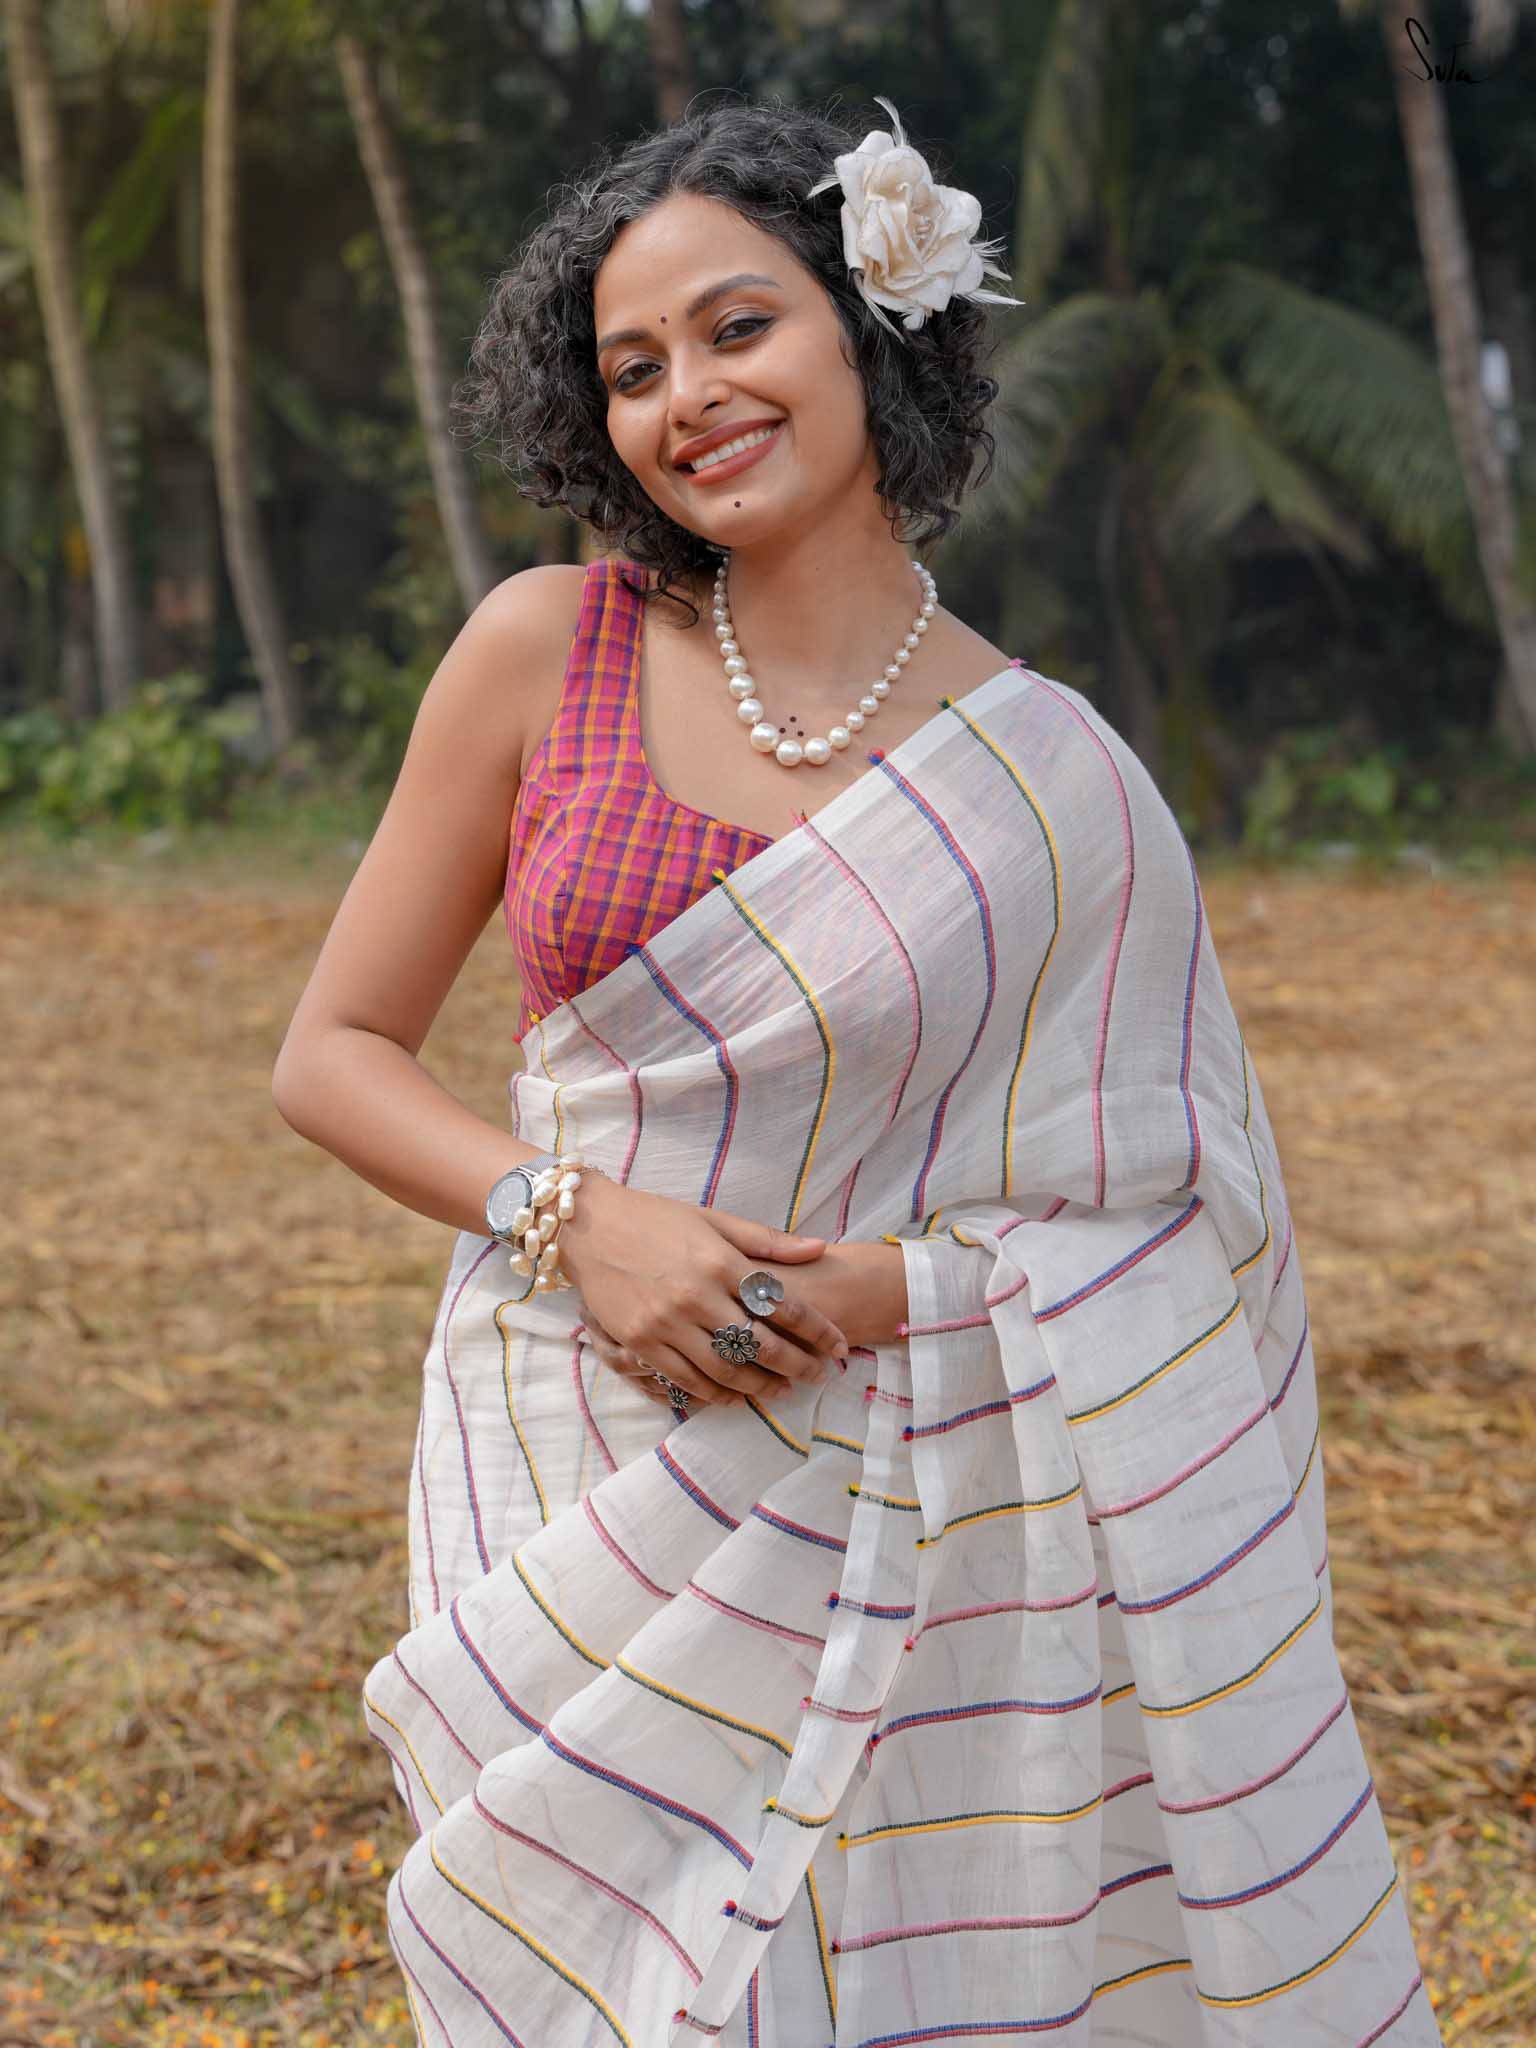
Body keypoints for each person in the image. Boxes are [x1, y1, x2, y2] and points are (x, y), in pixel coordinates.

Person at [272, 95, 1441, 2048]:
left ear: (870, 325)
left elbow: (1177, 1211)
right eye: (632, 368)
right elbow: (331, 1052)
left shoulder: (1055, 776)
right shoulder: (545, 650)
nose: (688, 398)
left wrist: (901, 1289)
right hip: (566, 1436)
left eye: (739, 327)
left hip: (922, 1481)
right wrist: (576, 1220)